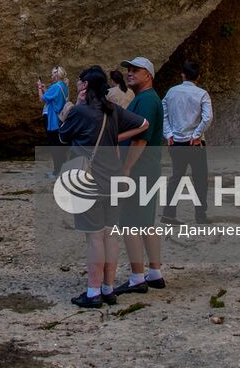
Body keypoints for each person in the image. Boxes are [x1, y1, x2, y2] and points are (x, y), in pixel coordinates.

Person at [58, 66, 149, 308]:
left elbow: (62, 136)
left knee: (94, 238)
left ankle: (92, 292)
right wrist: (116, 138)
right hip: (113, 180)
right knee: (110, 235)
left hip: (88, 182)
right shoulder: (113, 111)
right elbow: (143, 123)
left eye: (79, 82)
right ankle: (108, 289)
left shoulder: (80, 111)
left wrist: (72, 107)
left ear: (85, 86)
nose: (77, 85)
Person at [112, 56, 168, 295]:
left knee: (129, 223)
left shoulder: (145, 100)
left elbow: (140, 139)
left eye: (136, 70)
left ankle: (137, 277)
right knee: (146, 222)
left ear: (149, 75)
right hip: (148, 168)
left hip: (139, 169)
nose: (130, 73)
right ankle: (155, 273)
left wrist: (126, 169)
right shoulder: (148, 99)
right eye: (129, 70)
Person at [162, 60, 213, 223]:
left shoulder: (171, 92)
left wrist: (168, 134)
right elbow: (208, 117)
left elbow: (163, 114)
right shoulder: (202, 93)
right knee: (200, 179)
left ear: (182, 75)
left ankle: (168, 214)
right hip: (195, 144)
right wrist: (197, 134)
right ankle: (200, 215)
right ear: (198, 76)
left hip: (175, 142)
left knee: (176, 178)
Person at [37, 67, 70, 175]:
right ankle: (61, 169)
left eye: (52, 75)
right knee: (59, 144)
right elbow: (52, 98)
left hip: (52, 119)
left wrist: (39, 88)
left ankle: (57, 171)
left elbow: (42, 99)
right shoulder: (63, 86)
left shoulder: (55, 86)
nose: (51, 77)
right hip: (60, 119)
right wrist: (45, 89)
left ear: (56, 76)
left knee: (55, 146)